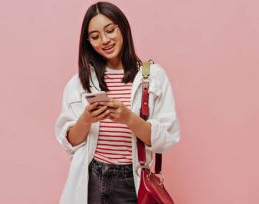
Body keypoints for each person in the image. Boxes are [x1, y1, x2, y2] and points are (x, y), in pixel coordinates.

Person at [55, 2, 180, 204]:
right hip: (92, 179)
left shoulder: (153, 76)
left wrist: (128, 118)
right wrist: (86, 119)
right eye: (95, 36)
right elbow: (70, 142)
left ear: (123, 27)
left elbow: (167, 139)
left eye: (110, 30)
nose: (105, 40)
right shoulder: (81, 81)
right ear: (88, 42)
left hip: (130, 182)